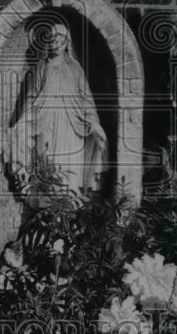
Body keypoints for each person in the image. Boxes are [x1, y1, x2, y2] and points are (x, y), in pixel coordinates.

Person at [6, 21, 107, 202]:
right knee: (48, 162)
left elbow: (86, 98)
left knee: (71, 165)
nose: (55, 41)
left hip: (72, 124)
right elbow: (31, 96)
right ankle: (48, 209)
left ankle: (70, 208)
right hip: (45, 122)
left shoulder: (75, 68)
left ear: (66, 41)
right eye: (51, 38)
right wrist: (23, 120)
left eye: (59, 37)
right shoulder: (40, 67)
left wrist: (93, 122)